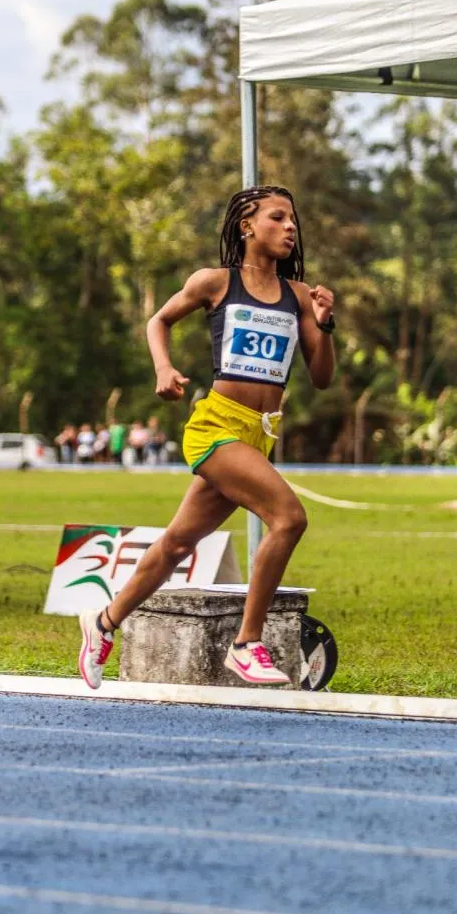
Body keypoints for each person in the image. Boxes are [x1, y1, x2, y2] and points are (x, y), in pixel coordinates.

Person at [78, 184, 335, 689]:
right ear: (246, 226)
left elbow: (322, 377)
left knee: (176, 544)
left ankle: (103, 622)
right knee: (289, 518)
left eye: (293, 221)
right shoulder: (214, 282)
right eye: (277, 218)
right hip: (216, 426)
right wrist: (163, 368)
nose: (290, 228)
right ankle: (246, 643)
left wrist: (325, 327)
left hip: (259, 434)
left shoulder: (301, 296)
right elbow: (159, 319)